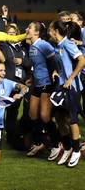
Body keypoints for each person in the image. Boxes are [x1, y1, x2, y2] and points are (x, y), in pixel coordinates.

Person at [48, 20, 85, 167]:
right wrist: (57, 72)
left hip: (72, 87)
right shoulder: (59, 46)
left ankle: (76, 150)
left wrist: (70, 78)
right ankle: (68, 147)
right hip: (61, 87)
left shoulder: (68, 44)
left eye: (50, 29)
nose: (49, 31)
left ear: (56, 30)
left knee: (71, 119)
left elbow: (82, 61)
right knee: (59, 116)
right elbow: (64, 65)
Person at [25, 21, 59, 159]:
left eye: (30, 28)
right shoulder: (32, 46)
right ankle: (41, 142)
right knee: (33, 114)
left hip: (47, 84)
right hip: (37, 84)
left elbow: (54, 61)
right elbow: (37, 65)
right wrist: (32, 79)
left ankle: (57, 145)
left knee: (45, 116)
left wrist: (55, 74)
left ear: (37, 33)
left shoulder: (43, 45)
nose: (27, 29)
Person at [0, 23, 32, 145]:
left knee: (13, 111)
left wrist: (22, 61)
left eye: (13, 33)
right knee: (1, 110)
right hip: (6, 82)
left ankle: (10, 136)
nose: (11, 35)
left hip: (19, 83)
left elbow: (29, 63)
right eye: (9, 33)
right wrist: (3, 19)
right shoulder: (3, 45)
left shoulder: (22, 48)